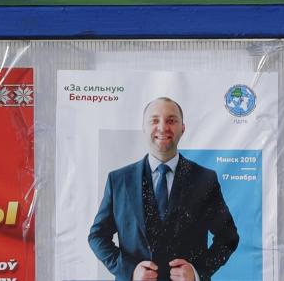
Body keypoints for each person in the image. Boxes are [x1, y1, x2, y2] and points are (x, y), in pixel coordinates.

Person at [88, 97, 239, 281]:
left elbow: (228, 236)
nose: (163, 127)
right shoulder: (118, 180)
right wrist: (130, 271)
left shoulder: (205, 179)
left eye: (171, 120)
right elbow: (97, 236)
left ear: (182, 128)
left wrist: (197, 271)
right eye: (154, 120)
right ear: (143, 128)